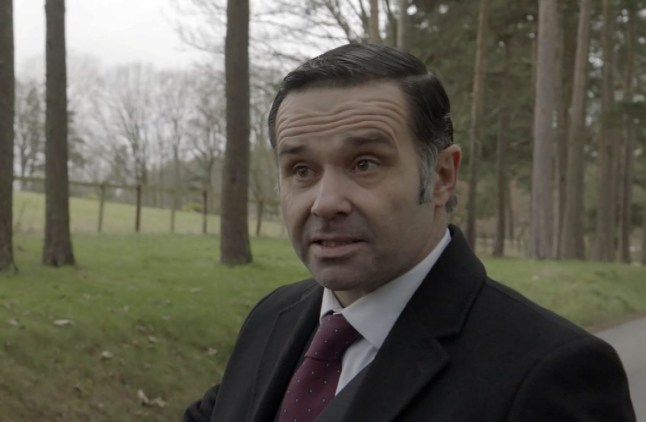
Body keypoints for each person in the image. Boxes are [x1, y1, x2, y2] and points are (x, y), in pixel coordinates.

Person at [184, 43, 635, 422]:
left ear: (441, 176)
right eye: (302, 170)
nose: (325, 202)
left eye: (364, 164)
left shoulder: (552, 374)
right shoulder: (272, 318)